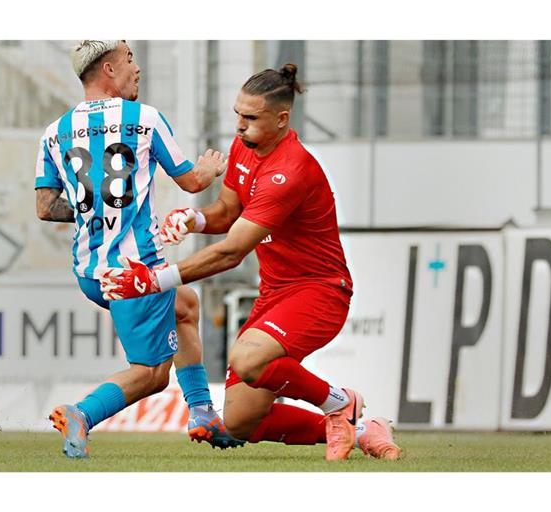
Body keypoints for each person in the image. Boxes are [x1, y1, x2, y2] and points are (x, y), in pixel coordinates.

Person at [100, 63, 401, 461]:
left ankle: (339, 403)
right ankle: (362, 430)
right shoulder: (246, 147)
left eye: (250, 118)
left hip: (320, 291)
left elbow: (232, 251)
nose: (239, 127)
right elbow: (227, 211)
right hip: (275, 292)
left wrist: (155, 280)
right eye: (238, 115)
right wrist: (194, 219)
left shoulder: (290, 171)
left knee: (248, 358)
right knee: (241, 421)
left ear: (281, 119)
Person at [35, 40, 243, 458]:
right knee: (151, 375)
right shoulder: (144, 119)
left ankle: (202, 411)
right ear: (108, 69)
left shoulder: (54, 131)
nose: (138, 68)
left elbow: (45, 207)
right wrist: (210, 169)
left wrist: (91, 209)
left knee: (184, 305)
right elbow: (192, 183)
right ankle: (82, 414)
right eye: (130, 60)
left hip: (89, 270)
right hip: (134, 271)